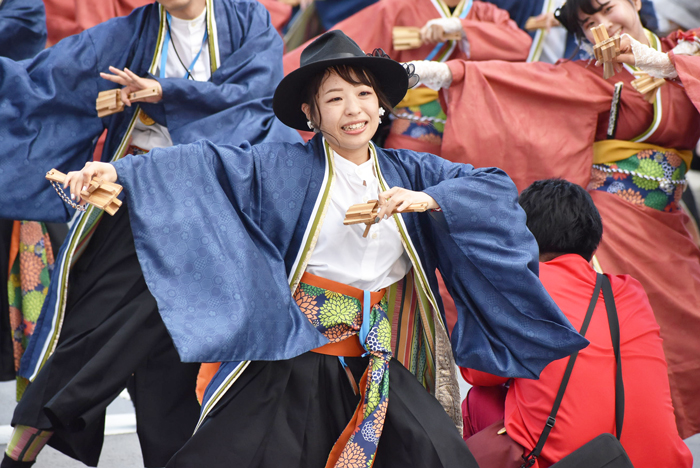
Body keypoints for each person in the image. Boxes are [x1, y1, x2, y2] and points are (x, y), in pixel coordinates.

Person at [61, 30, 588, 468]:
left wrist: (424, 199)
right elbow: (204, 164)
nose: (352, 110)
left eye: (363, 95)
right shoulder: (283, 167)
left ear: (381, 106)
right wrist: (115, 171)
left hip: (381, 358)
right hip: (296, 355)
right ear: (312, 115)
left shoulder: (411, 170)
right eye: (334, 99)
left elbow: (492, 186)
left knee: (437, 454)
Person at [0, 0, 300, 466]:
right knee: (88, 335)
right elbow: (42, 85)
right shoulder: (127, 35)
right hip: (141, 204)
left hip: (216, 213)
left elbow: (256, 97)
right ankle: (20, 453)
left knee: (175, 364)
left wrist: (168, 94)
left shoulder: (246, 19)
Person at [410, 0, 700, 438]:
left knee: (687, 329)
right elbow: (525, 81)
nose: (601, 25)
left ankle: (656, 434)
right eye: (588, 22)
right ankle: (609, 434)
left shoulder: (688, 50)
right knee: (613, 337)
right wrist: (441, 74)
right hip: (616, 223)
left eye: (606, 10)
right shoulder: (593, 73)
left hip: (671, 219)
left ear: (636, 3)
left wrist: (661, 62)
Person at [460, 178, 693, 468]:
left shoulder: (525, 287)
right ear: (593, 246)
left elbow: (476, 372)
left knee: (479, 398)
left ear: (522, 239)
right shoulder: (630, 292)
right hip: (659, 462)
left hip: (569, 461)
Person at [283, 0, 533, 155]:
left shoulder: (485, 13)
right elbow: (352, 46)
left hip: (471, 114)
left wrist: (461, 28)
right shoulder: (399, 7)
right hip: (416, 117)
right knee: (405, 172)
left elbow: (521, 45)